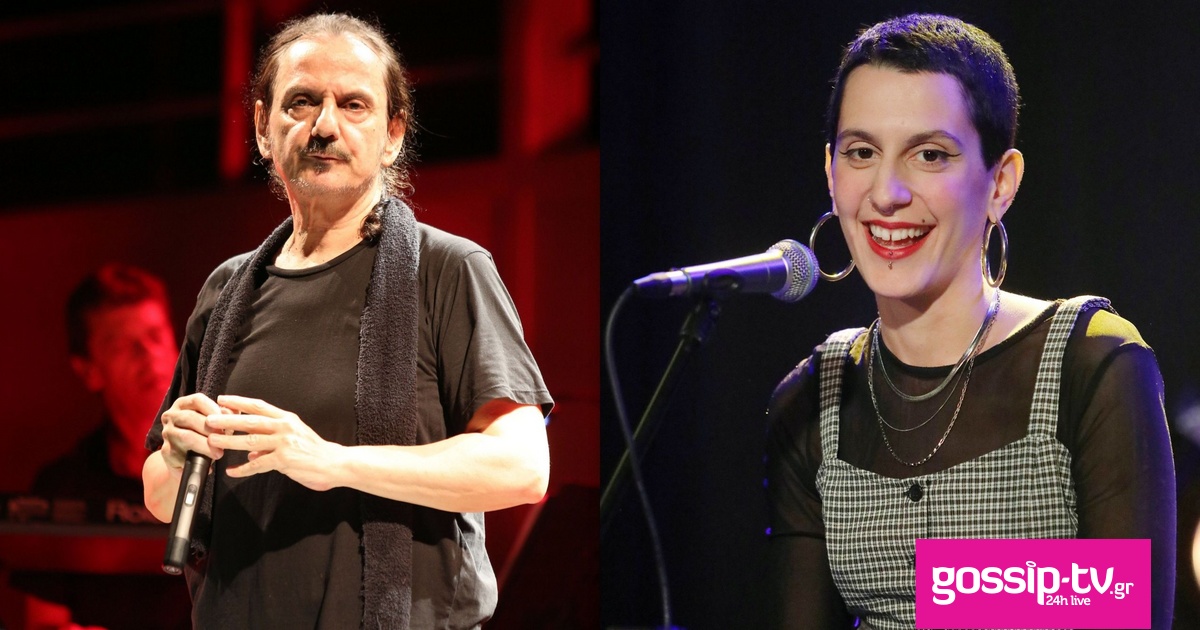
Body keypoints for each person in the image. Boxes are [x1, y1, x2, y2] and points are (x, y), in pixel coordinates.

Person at [140, 13, 553, 629]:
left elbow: (521, 468)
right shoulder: (228, 290)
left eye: (353, 104)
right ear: (262, 127)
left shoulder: (447, 269)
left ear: (392, 134)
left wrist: (329, 461)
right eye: (301, 102)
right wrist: (175, 456)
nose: (324, 126)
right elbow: (160, 495)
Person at [763, 14, 1175, 630]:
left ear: (1000, 183)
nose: (887, 192)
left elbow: (1127, 607)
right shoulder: (811, 399)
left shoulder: (1093, 362)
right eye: (861, 153)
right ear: (830, 172)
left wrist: (944, 585)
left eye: (930, 155)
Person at [37, 263, 177, 507]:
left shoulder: (222, 462)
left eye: (156, 336)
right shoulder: (65, 489)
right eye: (123, 345)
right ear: (89, 372)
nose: (148, 355)